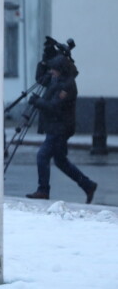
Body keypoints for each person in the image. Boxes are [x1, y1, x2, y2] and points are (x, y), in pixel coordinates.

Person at [26, 55, 98, 203]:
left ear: (61, 70)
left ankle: (43, 190)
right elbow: (41, 79)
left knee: (42, 156)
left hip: (60, 128)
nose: (51, 71)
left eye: (54, 69)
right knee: (60, 161)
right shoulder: (57, 79)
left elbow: (54, 107)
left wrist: (37, 101)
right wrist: (44, 61)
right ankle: (88, 185)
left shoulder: (67, 85)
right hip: (55, 126)